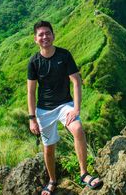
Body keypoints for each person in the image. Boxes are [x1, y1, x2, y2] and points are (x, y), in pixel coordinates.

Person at [27, 21, 102, 195]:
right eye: (41, 34)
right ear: (35, 39)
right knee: (49, 147)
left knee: (78, 129)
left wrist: (76, 108)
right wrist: (32, 118)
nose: (44, 37)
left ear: (53, 35)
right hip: (44, 110)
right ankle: (52, 180)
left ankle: (83, 174)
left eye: (47, 33)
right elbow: (31, 92)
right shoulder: (34, 62)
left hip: (64, 105)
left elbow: (76, 81)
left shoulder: (64, 55)